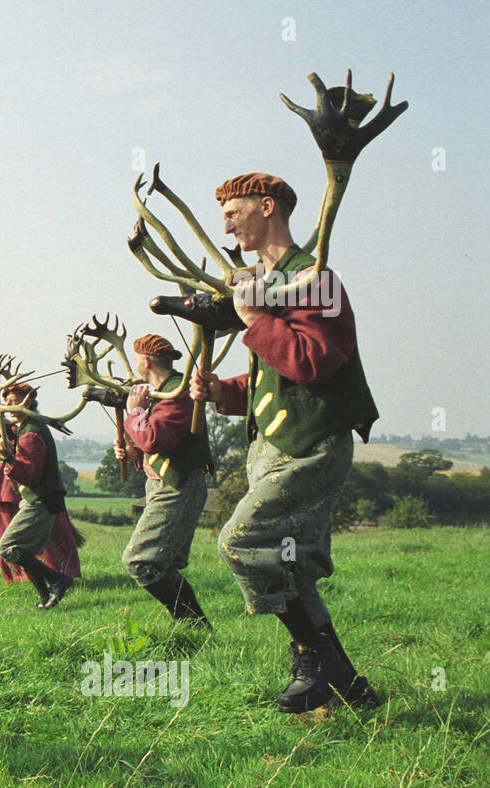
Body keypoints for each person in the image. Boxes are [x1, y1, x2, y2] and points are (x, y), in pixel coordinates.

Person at [191, 172, 379, 712]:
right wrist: (223, 393)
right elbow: (274, 376)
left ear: (266, 206)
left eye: (233, 209)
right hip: (271, 445)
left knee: (240, 541)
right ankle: (352, 691)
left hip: (310, 444)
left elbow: (314, 363)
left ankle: (309, 657)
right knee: (291, 569)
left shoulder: (314, 280)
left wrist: (251, 318)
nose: (224, 220)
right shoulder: (262, 282)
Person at [115, 334, 213, 628]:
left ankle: (192, 624)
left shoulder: (177, 393)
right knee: (162, 564)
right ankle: (192, 627)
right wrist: (132, 450)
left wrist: (134, 412)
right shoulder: (163, 392)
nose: (135, 365)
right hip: (164, 485)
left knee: (140, 561)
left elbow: (155, 437)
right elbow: (152, 444)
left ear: (145, 361)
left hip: (177, 487)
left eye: (136, 359)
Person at [0, 406, 82, 585]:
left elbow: (19, 464)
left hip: (25, 497)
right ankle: (28, 582)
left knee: (37, 543)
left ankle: (58, 577)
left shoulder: (18, 434)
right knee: (5, 542)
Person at [0, 384, 79, 609]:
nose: (9, 406)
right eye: (7, 402)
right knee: (23, 550)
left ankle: (58, 579)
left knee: (7, 548)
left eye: (15, 401)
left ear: (29, 402)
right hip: (38, 499)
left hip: (40, 501)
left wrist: (7, 458)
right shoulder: (28, 427)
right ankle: (46, 599)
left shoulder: (31, 434)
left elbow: (29, 476)